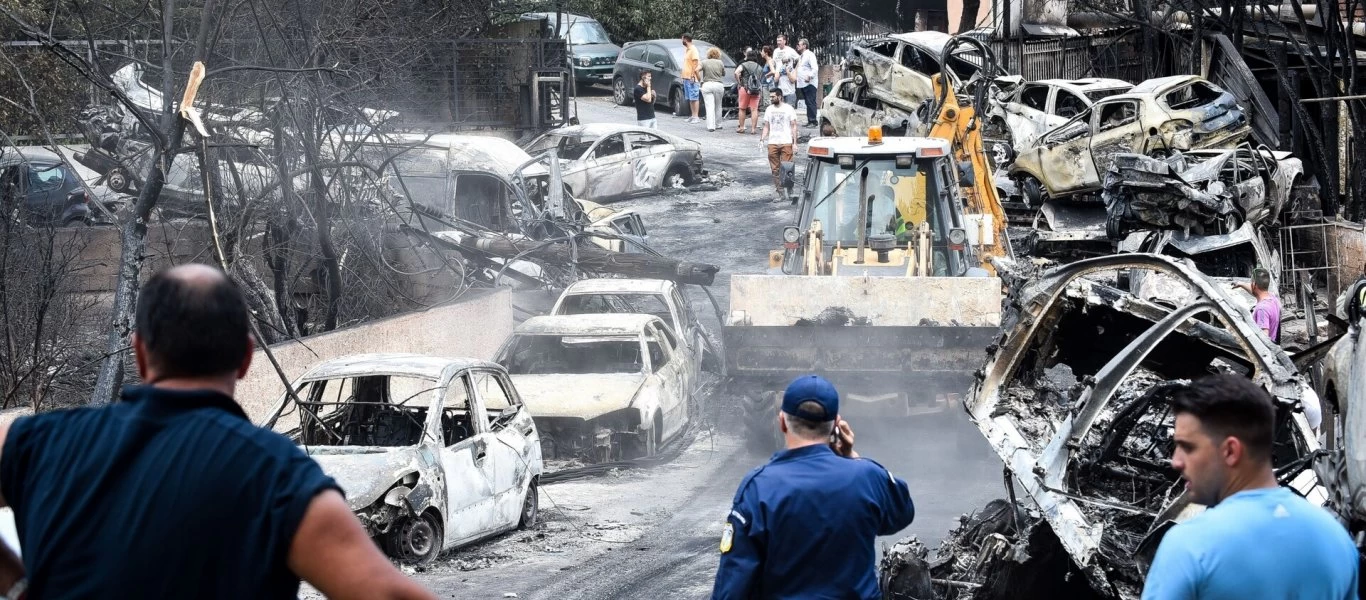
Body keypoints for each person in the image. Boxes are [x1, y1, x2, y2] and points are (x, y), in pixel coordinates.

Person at [0, 264, 436, 600]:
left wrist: (18, 585)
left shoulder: (41, 443)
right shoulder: (276, 478)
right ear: (246, 358)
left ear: (139, 353)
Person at [1141, 375, 1358, 600]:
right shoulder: (1335, 541)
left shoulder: (1190, 546)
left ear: (1231, 451)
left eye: (1187, 447)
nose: (1176, 461)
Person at [711, 375, 915, 599]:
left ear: (781, 422)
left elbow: (732, 586)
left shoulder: (758, 488)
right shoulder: (867, 476)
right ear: (837, 425)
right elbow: (902, 513)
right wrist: (852, 456)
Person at [761, 89, 798, 199]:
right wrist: (762, 139)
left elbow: (794, 126)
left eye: (773, 97)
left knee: (788, 168)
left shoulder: (789, 109)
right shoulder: (769, 109)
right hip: (773, 142)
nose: (771, 99)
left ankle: (790, 191)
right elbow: (766, 126)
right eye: (770, 97)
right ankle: (780, 193)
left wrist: (795, 143)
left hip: (786, 142)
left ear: (780, 96)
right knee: (775, 169)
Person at [1233, 267, 1281, 342]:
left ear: (1254, 284)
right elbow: (1257, 291)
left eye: (1251, 282)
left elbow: (1264, 339)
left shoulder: (1262, 309)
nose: (1250, 284)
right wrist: (1241, 284)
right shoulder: (1273, 298)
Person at [735, 50, 764, 134]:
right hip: (756, 90)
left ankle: (741, 128)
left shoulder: (743, 65)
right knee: (754, 109)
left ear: (747, 57)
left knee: (742, 108)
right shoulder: (759, 67)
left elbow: (736, 72)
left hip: (745, 89)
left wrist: (739, 82)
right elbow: (760, 78)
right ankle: (753, 129)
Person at [700, 47, 727, 132]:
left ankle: (711, 126)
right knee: (718, 105)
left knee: (709, 106)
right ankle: (718, 124)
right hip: (718, 85)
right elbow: (723, 74)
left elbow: (696, 69)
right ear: (718, 54)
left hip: (707, 84)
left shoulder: (704, 62)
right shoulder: (720, 62)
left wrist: (699, 79)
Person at [796, 38, 820, 128]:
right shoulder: (802, 56)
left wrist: (809, 76)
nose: (798, 46)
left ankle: (813, 121)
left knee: (810, 101)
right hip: (803, 83)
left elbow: (815, 68)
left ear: (804, 46)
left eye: (800, 44)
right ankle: (810, 120)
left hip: (809, 83)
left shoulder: (810, 55)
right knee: (807, 102)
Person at [680, 34, 702, 124]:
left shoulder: (693, 49)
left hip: (692, 78)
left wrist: (693, 76)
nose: (681, 41)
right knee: (690, 97)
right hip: (686, 77)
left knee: (694, 97)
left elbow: (695, 64)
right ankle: (692, 116)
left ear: (685, 39)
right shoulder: (687, 50)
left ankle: (696, 116)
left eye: (682, 39)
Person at [773, 35, 799, 107]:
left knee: (790, 110)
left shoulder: (790, 50)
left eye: (780, 41)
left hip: (789, 80)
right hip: (779, 83)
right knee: (780, 110)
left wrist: (795, 70)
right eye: (777, 41)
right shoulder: (775, 51)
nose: (778, 42)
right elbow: (774, 63)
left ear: (785, 41)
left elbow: (799, 60)